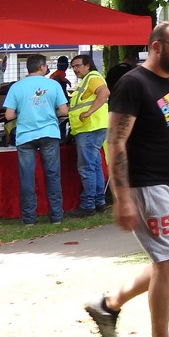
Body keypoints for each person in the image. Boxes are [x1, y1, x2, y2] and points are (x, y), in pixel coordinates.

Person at [84, 22, 169, 337]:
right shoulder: (133, 84)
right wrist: (122, 197)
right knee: (167, 263)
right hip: (146, 187)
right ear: (156, 46)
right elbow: (116, 141)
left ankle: (109, 303)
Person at [4, 55, 68, 226]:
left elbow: (9, 115)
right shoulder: (54, 85)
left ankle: (29, 219)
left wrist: (24, 113)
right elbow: (64, 110)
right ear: (41, 67)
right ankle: (56, 216)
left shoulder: (16, 87)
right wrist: (51, 113)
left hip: (25, 136)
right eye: (46, 66)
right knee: (52, 174)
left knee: (27, 177)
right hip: (49, 133)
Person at [65, 54, 110, 218]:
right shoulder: (87, 80)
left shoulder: (92, 77)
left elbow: (104, 92)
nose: (75, 69)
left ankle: (88, 205)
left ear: (88, 65)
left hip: (90, 128)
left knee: (87, 168)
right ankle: (99, 202)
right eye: (73, 66)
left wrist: (89, 112)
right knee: (94, 166)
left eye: (78, 65)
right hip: (93, 127)